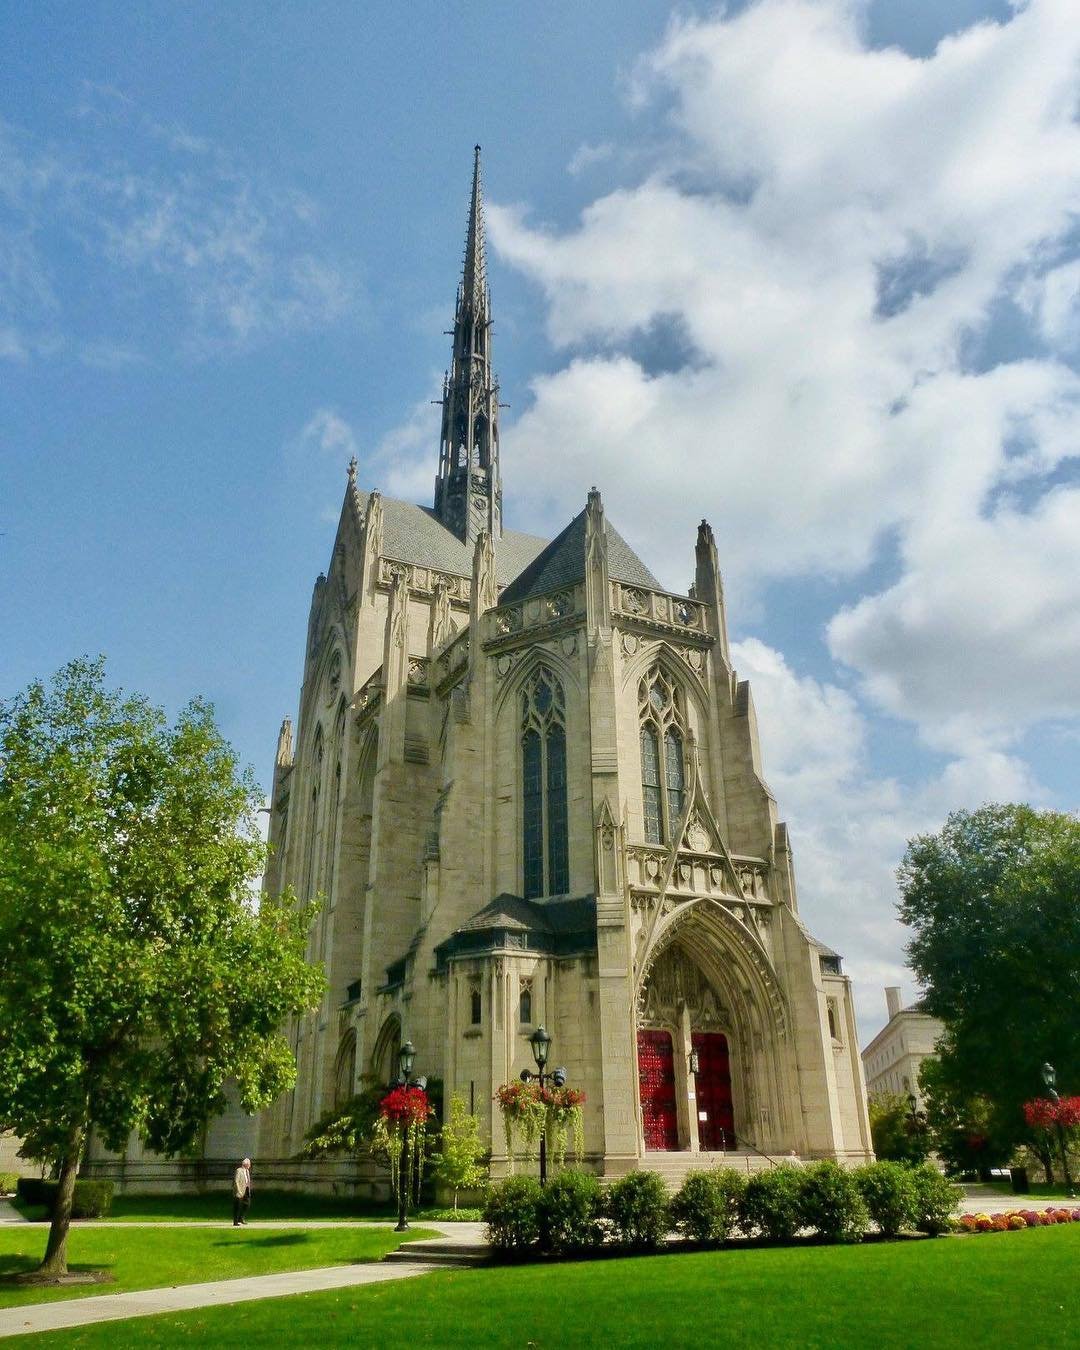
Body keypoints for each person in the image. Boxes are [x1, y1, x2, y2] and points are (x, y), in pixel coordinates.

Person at [233, 1157, 252, 1226]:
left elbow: (247, 1180)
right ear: (246, 1164)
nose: (250, 1165)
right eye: (249, 1164)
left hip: (246, 1189)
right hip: (240, 1190)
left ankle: (241, 1218)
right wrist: (238, 1190)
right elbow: (236, 1181)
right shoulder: (239, 1170)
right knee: (237, 1206)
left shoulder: (247, 1171)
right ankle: (235, 1221)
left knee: (247, 1204)